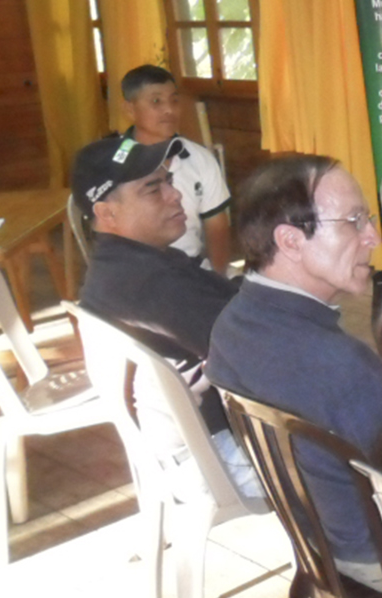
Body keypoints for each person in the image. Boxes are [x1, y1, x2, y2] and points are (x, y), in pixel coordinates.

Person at [207, 155, 382, 593]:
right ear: (291, 241)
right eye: (354, 221)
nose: (373, 237)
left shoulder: (231, 325)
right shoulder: (348, 369)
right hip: (381, 560)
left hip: (317, 543)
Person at [72, 134, 258, 499]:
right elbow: (252, 343)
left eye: (169, 181)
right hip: (215, 457)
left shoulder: (129, 262)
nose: (175, 195)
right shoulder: (145, 283)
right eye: (153, 189)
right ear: (107, 213)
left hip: (204, 442)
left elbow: (231, 308)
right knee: (356, 453)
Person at [120, 65, 233, 273]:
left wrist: (218, 279)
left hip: (190, 269)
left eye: (174, 100)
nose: (169, 110)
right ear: (130, 109)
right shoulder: (114, 161)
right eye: (156, 101)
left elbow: (217, 228)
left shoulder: (200, 158)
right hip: (135, 274)